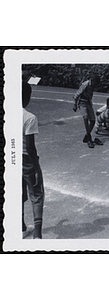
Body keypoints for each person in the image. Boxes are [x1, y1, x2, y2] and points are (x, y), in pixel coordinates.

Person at [22, 81, 44, 239]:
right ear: (27, 97)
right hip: (27, 160)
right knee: (36, 194)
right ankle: (37, 235)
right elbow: (30, 147)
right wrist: (37, 169)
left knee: (18, 194)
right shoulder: (29, 118)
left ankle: (22, 228)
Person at [73, 75, 102, 148]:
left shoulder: (93, 86)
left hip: (88, 103)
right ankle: (89, 138)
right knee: (85, 117)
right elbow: (77, 94)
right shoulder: (85, 84)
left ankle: (87, 135)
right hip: (82, 103)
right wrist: (75, 105)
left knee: (92, 120)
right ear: (93, 81)